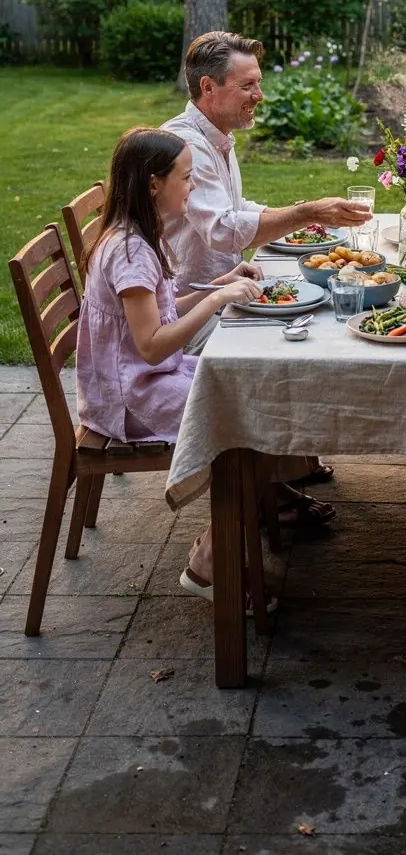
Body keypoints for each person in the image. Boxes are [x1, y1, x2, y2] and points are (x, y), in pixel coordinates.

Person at [163, 30, 371, 507]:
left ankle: (286, 466)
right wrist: (305, 213)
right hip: (187, 307)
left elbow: (235, 210)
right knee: (299, 341)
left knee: (311, 315)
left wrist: (299, 211)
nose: (260, 95)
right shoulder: (184, 145)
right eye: (248, 85)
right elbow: (223, 230)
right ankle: (263, 488)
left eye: (258, 83)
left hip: (223, 286)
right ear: (208, 89)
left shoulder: (217, 137)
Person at [76, 127, 268, 602]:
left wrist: (214, 283)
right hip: (131, 399)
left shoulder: (138, 236)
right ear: (153, 184)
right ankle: (209, 562)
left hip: (140, 380)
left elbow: (158, 315)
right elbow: (153, 346)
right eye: (186, 177)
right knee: (244, 418)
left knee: (251, 398)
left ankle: (249, 519)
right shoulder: (130, 253)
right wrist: (218, 299)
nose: (193, 186)